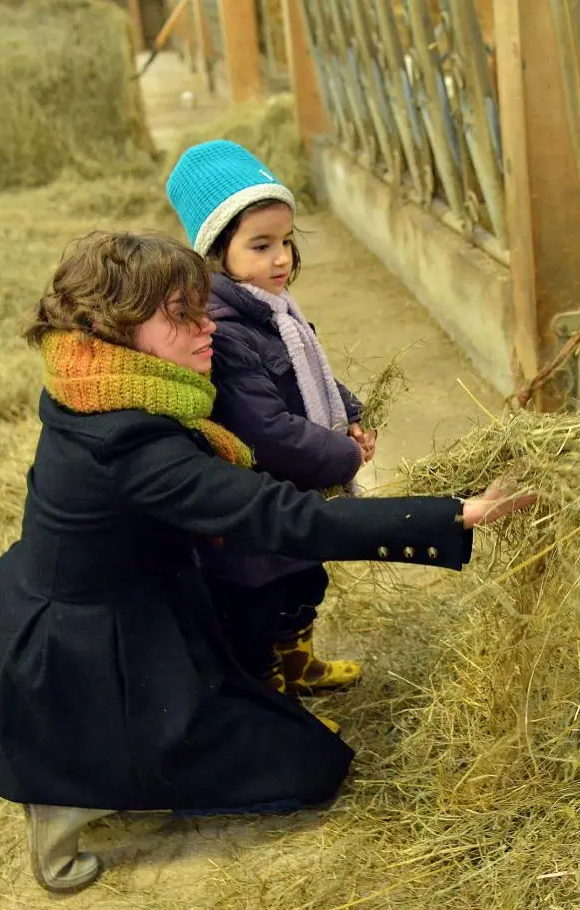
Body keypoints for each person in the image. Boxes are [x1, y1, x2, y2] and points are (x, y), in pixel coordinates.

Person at [0, 231, 533, 894]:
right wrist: (451, 514)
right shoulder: (132, 444)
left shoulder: (94, 381)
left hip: (106, 603)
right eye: (179, 314)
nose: (206, 325)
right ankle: (71, 790)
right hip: (93, 657)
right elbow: (286, 518)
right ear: (110, 326)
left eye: (200, 306)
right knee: (310, 768)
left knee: (264, 712)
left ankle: (109, 754)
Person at [165, 140, 371, 701]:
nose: (280, 258)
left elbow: (313, 373)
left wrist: (349, 414)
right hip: (255, 515)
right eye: (260, 245)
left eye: (285, 242)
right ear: (215, 251)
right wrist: (344, 455)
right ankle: (272, 699)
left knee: (305, 583)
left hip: (292, 498)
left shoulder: (276, 310)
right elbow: (267, 432)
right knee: (259, 606)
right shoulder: (225, 332)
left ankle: (298, 663)